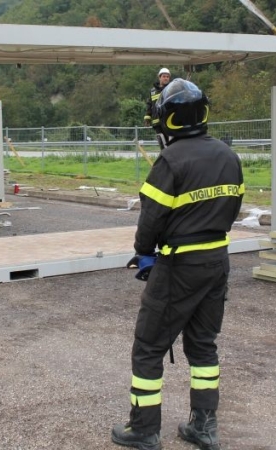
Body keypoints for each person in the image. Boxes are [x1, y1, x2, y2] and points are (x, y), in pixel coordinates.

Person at [113, 78, 244, 450]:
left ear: (167, 119)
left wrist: (145, 254)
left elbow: (150, 217)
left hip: (179, 265)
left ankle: (143, 429)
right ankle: (204, 426)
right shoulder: (228, 156)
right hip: (217, 260)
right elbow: (232, 208)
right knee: (203, 346)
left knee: (148, 347)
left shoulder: (170, 159)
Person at [144, 68, 171, 149]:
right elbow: (149, 105)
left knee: (170, 144)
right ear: (159, 77)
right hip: (157, 123)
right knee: (162, 145)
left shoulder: (170, 89)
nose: (166, 78)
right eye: (164, 76)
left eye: (167, 77)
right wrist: (147, 119)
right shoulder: (153, 91)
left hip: (168, 122)